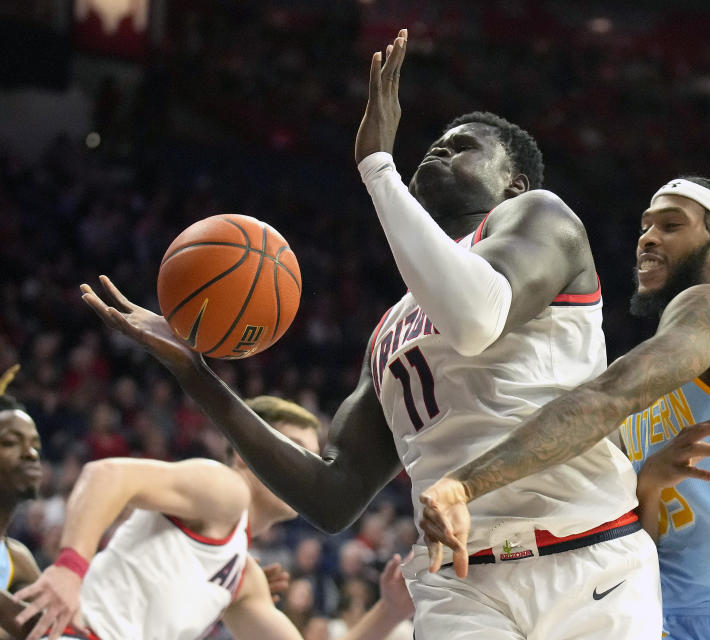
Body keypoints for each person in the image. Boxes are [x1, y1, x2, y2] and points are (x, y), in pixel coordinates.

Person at [80, 29, 664, 639]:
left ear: (514, 182)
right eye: (434, 143)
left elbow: (475, 317)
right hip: (461, 583)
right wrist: (195, 376)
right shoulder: (389, 329)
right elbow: (334, 496)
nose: (437, 150)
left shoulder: (539, 216)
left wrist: (376, 166)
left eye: (462, 146)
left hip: (587, 553)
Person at [419, 177, 710, 639]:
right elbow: (639, 525)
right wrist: (652, 484)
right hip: (663, 614)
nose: (647, 237)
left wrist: (463, 484)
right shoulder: (642, 375)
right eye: (645, 226)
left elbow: (607, 397)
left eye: (670, 225)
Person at [6, 395, 413, 640]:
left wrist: (390, 611)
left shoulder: (244, 577)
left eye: (312, 456)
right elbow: (107, 474)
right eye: (292, 448)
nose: (304, 465)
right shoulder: (226, 489)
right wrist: (69, 568)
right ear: (246, 452)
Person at [0, 365, 42, 594]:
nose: (31, 453)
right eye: (10, 442)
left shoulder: (17, 560)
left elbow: (60, 628)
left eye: (36, 444)